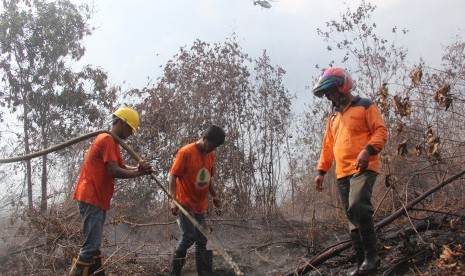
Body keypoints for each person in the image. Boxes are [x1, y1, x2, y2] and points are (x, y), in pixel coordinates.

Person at [311, 68, 388, 275]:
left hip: (364, 167)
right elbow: (328, 146)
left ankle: (372, 258)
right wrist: (321, 171)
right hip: (342, 172)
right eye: (326, 94)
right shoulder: (333, 118)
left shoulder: (365, 105)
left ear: (342, 86)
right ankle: (361, 263)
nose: (329, 97)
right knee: (351, 216)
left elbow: (381, 130)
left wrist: (368, 150)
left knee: (358, 205)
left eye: (331, 91)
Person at [70, 106, 153, 276]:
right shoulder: (107, 139)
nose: (131, 134)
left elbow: (121, 166)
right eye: (130, 129)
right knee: (89, 248)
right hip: (91, 196)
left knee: (94, 248)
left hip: (97, 198)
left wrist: (138, 168)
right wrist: (139, 172)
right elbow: (114, 171)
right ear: (122, 123)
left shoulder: (113, 142)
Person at [168, 125, 225, 276]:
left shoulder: (210, 154)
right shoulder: (185, 152)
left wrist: (214, 195)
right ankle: (174, 272)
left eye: (216, 147)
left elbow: (207, 177)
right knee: (188, 237)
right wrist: (172, 200)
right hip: (184, 202)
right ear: (204, 139)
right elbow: (172, 176)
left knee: (202, 239)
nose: (213, 150)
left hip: (200, 205)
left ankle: (204, 273)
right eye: (212, 146)